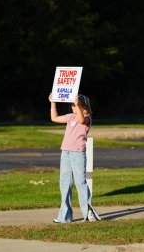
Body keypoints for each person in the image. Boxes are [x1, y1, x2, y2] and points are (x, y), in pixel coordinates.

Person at [48, 93, 101, 223]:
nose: (73, 107)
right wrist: (53, 102)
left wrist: (77, 104)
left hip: (77, 153)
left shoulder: (87, 118)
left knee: (80, 183)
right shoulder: (70, 117)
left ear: (84, 106)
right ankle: (65, 216)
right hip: (65, 152)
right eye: (72, 105)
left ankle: (88, 214)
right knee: (65, 183)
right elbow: (54, 118)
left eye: (76, 105)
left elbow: (82, 120)